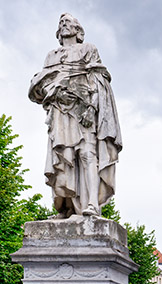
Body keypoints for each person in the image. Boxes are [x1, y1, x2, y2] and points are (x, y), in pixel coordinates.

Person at [29, 13, 122, 219]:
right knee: (64, 157)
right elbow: (40, 84)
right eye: (60, 23)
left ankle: (91, 205)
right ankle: (67, 207)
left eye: (68, 22)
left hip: (83, 108)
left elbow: (98, 80)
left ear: (78, 31)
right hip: (60, 110)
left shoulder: (88, 49)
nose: (63, 25)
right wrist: (51, 90)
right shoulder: (51, 56)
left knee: (87, 154)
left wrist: (92, 109)